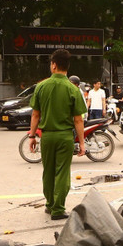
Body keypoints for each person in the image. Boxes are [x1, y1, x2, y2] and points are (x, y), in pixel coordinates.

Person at [27, 49, 87, 220]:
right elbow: (78, 120)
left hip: (47, 136)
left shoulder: (41, 86)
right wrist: (82, 143)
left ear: (53, 65)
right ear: (67, 67)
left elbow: (35, 115)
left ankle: (49, 204)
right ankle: (58, 209)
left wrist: (32, 136)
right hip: (65, 137)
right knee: (62, 172)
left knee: (48, 171)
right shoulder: (73, 89)